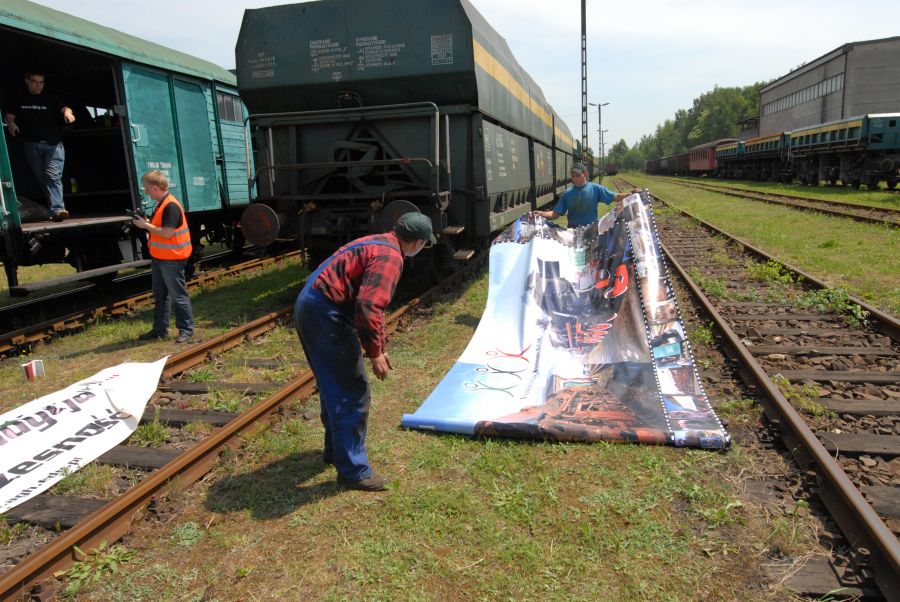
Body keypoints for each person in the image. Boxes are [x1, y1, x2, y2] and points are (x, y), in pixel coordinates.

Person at [294, 212, 436, 491]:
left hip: (310, 303)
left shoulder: (379, 241)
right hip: (325, 313)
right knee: (352, 391)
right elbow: (369, 307)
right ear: (417, 242)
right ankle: (353, 471)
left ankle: (336, 452)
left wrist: (378, 345)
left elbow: (368, 306)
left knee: (332, 384)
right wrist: (375, 353)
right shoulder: (391, 257)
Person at [131, 170, 194, 344]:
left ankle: (186, 330)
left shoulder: (170, 206)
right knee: (160, 295)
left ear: (156, 187)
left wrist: (145, 226)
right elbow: (161, 227)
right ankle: (160, 330)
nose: (146, 192)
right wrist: (147, 222)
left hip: (172, 258)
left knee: (177, 295)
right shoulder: (162, 203)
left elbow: (166, 233)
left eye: (147, 189)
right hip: (161, 257)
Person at [3, 70, 75, 221]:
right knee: (42, 177)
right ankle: (53, 209)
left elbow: (65, 108)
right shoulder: (18, 98)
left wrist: (68, 114)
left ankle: (58, 209)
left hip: (53, 145)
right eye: (35, 82)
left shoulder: (50, 98)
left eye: (41, 82)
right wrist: (11, 124)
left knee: (52, 175)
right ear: (27, 81)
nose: (38, 85)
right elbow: (9, 117)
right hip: (32, 144)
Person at [531, 163, 638, 227]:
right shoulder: (567, 194)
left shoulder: (595, 189)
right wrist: (541, 213)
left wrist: (630, 195)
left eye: (577, 175)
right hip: (573, 230)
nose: (574, 178)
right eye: (573, 176)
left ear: (585, 174)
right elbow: (555, 214)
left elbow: (615, 196)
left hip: (592, 229)